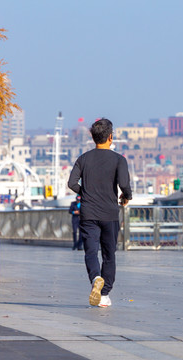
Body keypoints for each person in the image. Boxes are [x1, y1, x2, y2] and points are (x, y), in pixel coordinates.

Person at [68, 118, 132, 308]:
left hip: (88, 213)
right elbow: (124, 185)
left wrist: (84, 192)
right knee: (109, 254)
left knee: (90, 251)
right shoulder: (119, 160)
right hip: (109, 213)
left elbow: (72, 183)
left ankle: (96, 277)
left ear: (93, 137)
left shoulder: (83, 159)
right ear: (110, 137)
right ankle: (104, 294)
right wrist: (126, 197)